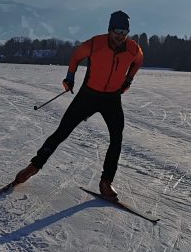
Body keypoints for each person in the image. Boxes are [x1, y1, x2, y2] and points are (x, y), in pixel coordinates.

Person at [13, 10, 144, 199]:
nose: (120, 36)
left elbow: (139, 61)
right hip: (88, 96)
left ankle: (106, 182)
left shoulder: (133, 49)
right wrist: (70, 77)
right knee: (62, 131)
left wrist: (128, 80)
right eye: (117, 31)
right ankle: (34, 166)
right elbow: (76, 57)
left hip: (112, 99)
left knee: (117, 138)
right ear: (109, 30)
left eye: (124, 32)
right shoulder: (94, 44)